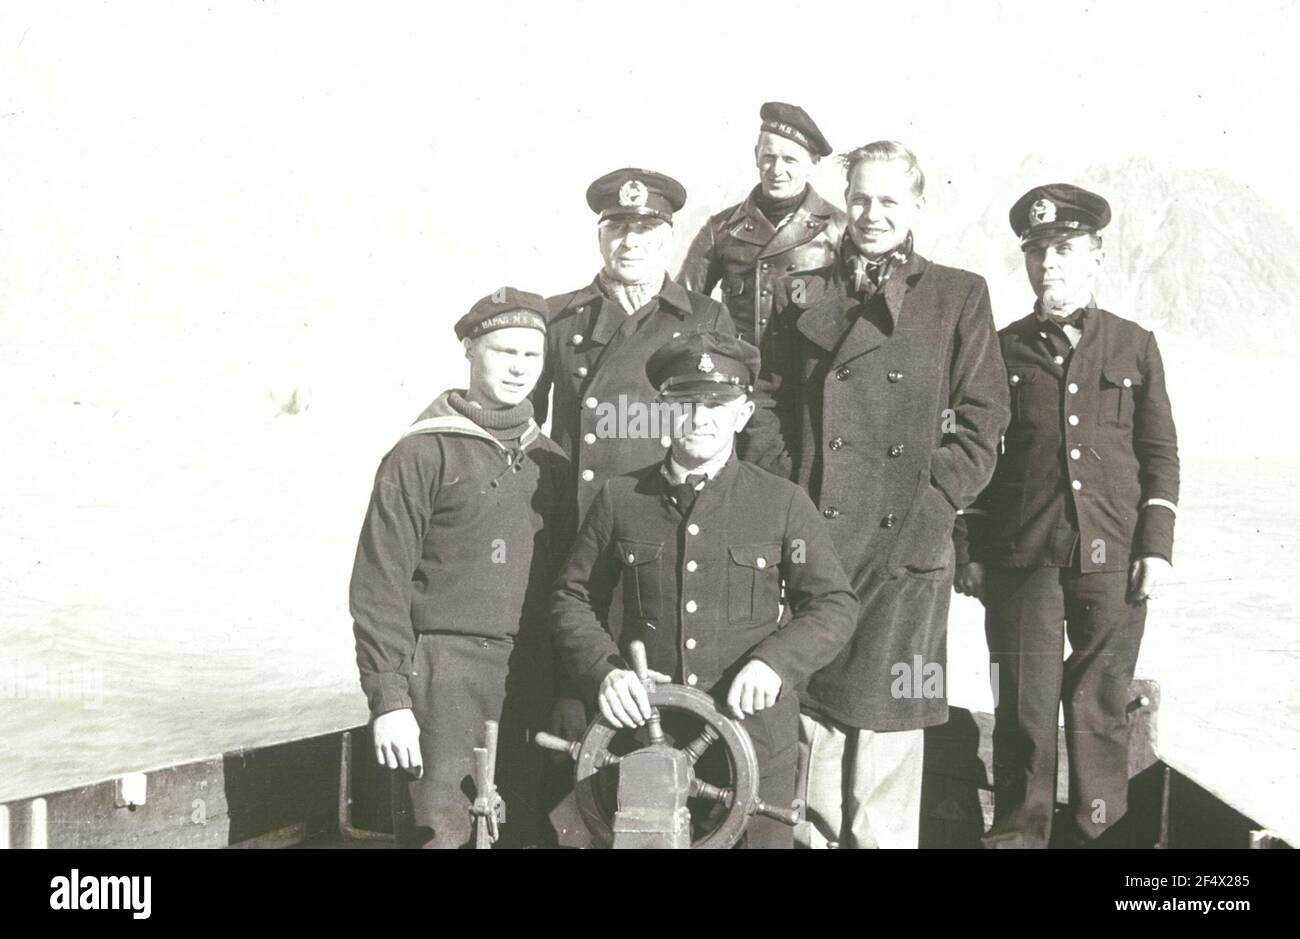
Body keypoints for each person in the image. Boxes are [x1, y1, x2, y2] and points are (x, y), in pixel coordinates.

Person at [746, 140, 1010, 848]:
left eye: (890, 200)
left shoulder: (958, 295)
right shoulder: (804, 289)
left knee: (890, 732)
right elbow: (764, 400)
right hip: (818, 539)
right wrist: (786, 497)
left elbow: (985, 423)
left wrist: (930, 511)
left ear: (917, 205)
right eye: (860, 198)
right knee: (819, 725)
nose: (871, 214)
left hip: (907, 550)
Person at [551, 331, 858, 848]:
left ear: (743, 415)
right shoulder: (621, 498)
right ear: (663, 410)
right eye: (685, 403)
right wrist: (604, 672)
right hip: (645, 745)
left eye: (718, 404)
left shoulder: (781, 502)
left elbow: (833, 604)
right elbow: (570, 597)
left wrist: (775, 663)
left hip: (756, 748)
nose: (700, 417)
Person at [952, 184, 1179, 848]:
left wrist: (1156, 544)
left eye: (1066, 249)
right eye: (1040, 252)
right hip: (1023, 557)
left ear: (1096, 256)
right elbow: (976, 446)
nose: (1051, 263)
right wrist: (969, 543)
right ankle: (1020, 836)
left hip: (1114, 558)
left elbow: (1159, 450)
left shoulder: (1135, 345)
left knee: (1100, 707)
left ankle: (1098, 837)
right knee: (1023, 703)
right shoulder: (999, 347)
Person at [349, 288, 572, 848]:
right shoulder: (421, 454)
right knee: (443, 836)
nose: (519, 368)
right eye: (503, 352)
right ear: (471, 351)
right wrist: (390, 701)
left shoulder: (552, 463)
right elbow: (379, 586)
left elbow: (573, 590)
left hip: (530, 679)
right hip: (442, 683)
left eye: (532, 355)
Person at [531, 168, 738, 520]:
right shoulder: (557, 316)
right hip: (573, 513)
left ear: (669, 239)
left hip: (664, 512)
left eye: (645, 229)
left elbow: (726, 428)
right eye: (617, 228)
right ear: (599, 239)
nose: (630, 242)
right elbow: (523, 421)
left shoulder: (705, 317)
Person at [678, 101, 846, 351]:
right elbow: (683, 305)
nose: (777, 170)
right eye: (769, 157)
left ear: (813, 163)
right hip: (741, 376)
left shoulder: (840, 228)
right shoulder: (721, 228)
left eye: (790, 160)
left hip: (810, 379)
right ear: (756, 154)